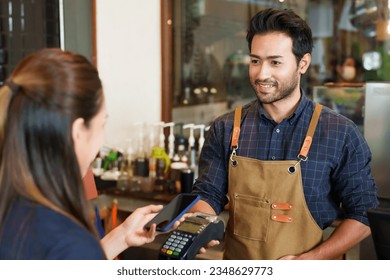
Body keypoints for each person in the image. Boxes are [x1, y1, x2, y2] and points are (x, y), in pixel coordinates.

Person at [191, 8, 378, 260]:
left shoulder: (340, 133)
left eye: (275, 62)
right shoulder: (225, 128)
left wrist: (308, 261)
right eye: (255, 60)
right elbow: (208, 194)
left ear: (303, 63)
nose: (261, 74)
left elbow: (363, 214)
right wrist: (199, 228)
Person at [0, 48, 168, 260]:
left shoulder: (17, 213)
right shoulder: (67, 241)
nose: (101, 142)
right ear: (78, 132)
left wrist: (122, 237)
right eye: (102, 124)